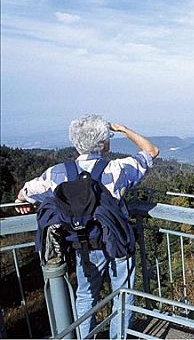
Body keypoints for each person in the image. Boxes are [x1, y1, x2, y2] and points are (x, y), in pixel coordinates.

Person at [15, 115, 159, 339]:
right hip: (118, 242)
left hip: (83, 243)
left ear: (75, 142)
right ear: (103, 142)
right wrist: (122, 128)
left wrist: (21, 200)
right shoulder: (117, 168)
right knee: (122, 294)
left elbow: (27, 192)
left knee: (85, 295)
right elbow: (151, 151)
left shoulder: (57, 173)